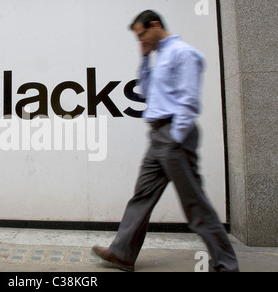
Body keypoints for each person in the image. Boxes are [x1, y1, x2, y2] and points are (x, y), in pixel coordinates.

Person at [92, 10, 239, 272]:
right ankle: (123, 253)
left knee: (195, 204)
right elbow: (148, 93)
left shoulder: (183, 53)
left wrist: (175, 137)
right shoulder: (159, 58)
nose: (142, 41)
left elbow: (189, 101)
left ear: (156, 25)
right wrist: (144, 60)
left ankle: (226, 265)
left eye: (142, 34)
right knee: (142, 196)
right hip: (158, 136)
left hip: (173, 135)